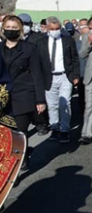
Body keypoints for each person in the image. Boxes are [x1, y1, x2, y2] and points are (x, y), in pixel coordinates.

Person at [1, 15, 47, 170]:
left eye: (14, 28)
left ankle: (20, 161)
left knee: (19, 132)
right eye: (8, 27)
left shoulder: (29, 49)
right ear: (3, 28)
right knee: (4, 136)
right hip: (3, 98)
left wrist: (40, 100)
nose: (11, 30)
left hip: (23, 96)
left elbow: (37, 75)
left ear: (20, 30)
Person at [36, 17, 79, 143]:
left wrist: (75, 76)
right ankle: (55, 127)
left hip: (65, 76)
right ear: (47, 29)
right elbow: (37, 61)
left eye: (57, 29)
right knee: (52, 105)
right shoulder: (40, 42)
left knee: (65, 103)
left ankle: (65, 129)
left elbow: (74, 58)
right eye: (52, 29)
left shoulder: (68, 40)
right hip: (49, 77)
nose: (55, 31)